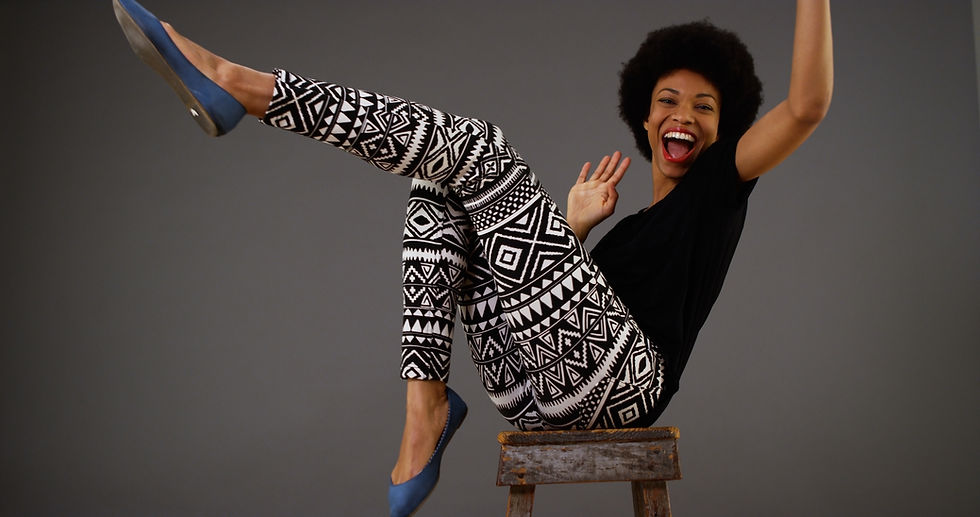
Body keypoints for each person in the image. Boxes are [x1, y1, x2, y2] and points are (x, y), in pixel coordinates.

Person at [112, 0, 832, 515]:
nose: (684, 116)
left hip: (627, 383)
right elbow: (545, 317)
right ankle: (426, 404)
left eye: (705, 107)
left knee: (479, 150)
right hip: (532, 391)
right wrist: (571, 230)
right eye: (669, 101)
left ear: (725, 126)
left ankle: (243, 85)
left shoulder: (720, 187)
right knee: (436, 190)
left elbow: (805, 105)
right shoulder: (628, 232)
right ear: (644, 120)